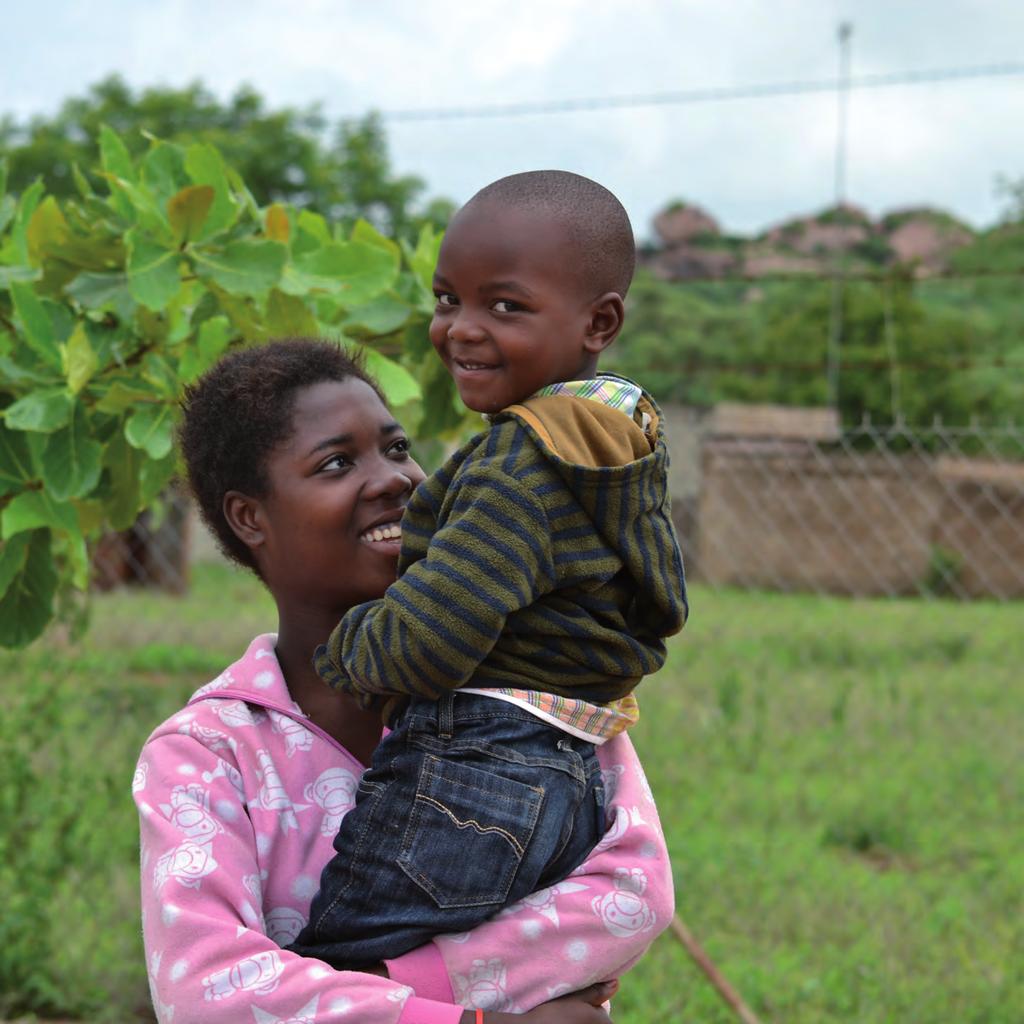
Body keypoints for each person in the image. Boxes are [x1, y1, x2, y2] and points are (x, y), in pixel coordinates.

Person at [135, 339, 675, 1024]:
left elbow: (632, 894)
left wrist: (382, 979)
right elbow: (205, 991)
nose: (394, 478)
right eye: (336, 463)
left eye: (396, 449)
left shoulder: (524, 682)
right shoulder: (210, 752)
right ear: (249, 517)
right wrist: (479, 1015)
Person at [291, 171, 687, 969]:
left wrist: (335, 650)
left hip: (470, 770)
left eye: (505, 306)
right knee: (479, 977)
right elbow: (663, 602)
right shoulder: (616, 445)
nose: (461, 330)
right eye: (448, 300)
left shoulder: (521, 463)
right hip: (571, 775)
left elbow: (431, 641)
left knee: (334, 977)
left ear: (598, 320)